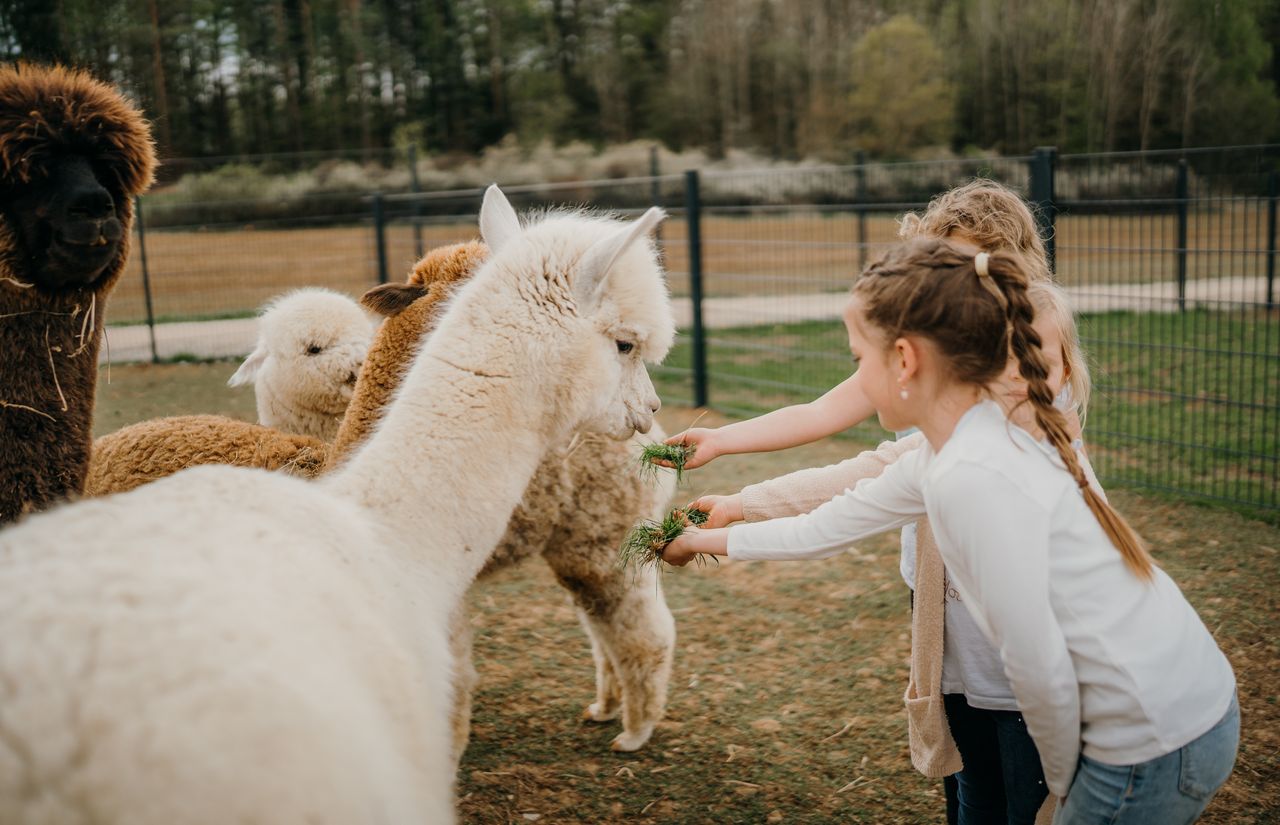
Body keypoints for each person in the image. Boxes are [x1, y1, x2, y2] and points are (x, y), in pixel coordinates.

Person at [663, 238, 1239, 824]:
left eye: (859, 357)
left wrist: (1060, 790)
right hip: (1176, 708)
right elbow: (824, 529)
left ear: (906, 360)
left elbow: (1036, 664)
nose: (858, 375)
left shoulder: (971, 476)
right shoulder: (949, 450)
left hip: (1152, 741)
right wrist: (701, 539)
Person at [664, 180, 1082, 824]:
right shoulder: (921, 353)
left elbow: (881, 471)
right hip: (939, 601)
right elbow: (827, 409)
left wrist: (741, 509)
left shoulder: (1021, 383)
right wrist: (722, 441)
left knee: (1027, 788)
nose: (938, 292)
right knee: (968, 777)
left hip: (1020, 622)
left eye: (956, 272)